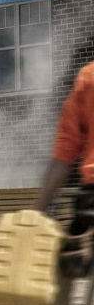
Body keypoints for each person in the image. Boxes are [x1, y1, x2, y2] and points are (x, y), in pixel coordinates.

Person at [35, 61, 94, 277]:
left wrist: (37, 212)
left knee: (66, 275)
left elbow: (63, 156)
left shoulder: (88, 78)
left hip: (90, 201)